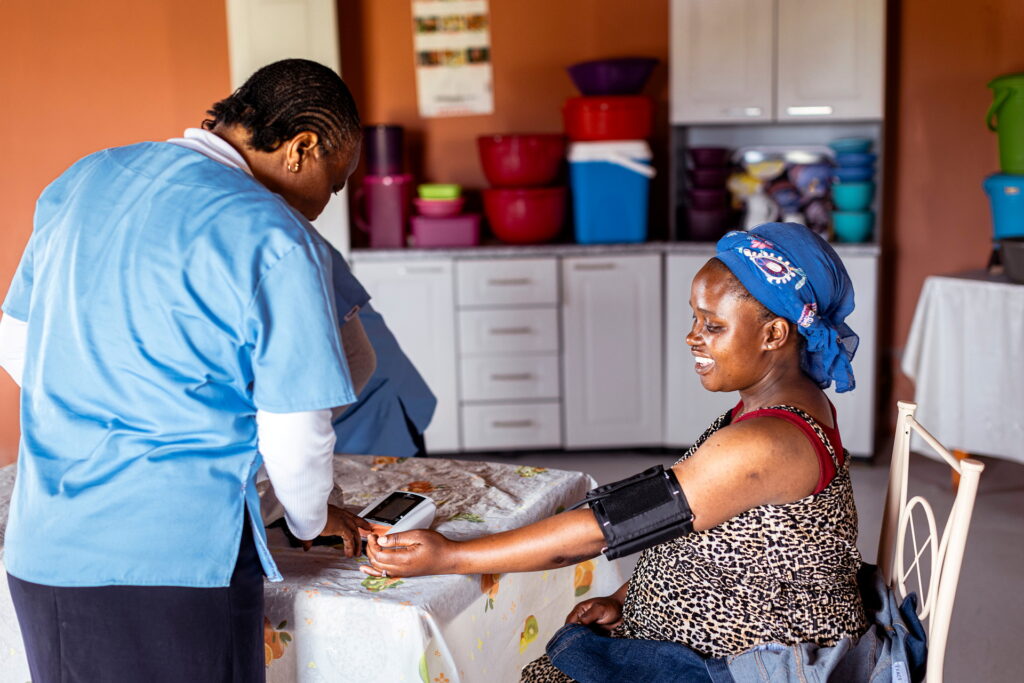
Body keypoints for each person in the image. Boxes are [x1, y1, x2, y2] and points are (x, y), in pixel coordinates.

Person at [0, 59, 375, 683]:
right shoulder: (278, 237)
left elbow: (18, 345)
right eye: (333, 185)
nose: (324, 206)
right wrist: (309, 519)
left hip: (45, 546)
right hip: (175, 562)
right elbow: (295, 430)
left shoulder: (86, 177)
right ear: (302, 148)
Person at [364, 223, 867, 682]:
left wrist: (452, 556)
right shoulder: (781, 407)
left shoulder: (763, 443)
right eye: (694, 318)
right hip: (724, 630)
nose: (692, 337)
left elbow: (606, 527)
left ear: (774, 334)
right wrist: (628, 598)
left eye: (713, 326)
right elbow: (730, 541)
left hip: (749, 665)